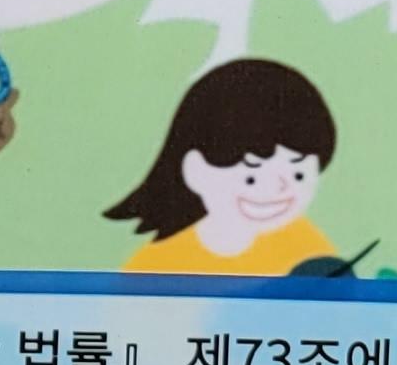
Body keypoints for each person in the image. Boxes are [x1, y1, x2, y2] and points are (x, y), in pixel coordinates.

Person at [107, 57, 338, 278]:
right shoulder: (157, 265)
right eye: (251, 178)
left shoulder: (307, 249)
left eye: (298, 175)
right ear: (196, 171)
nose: (279, 190)